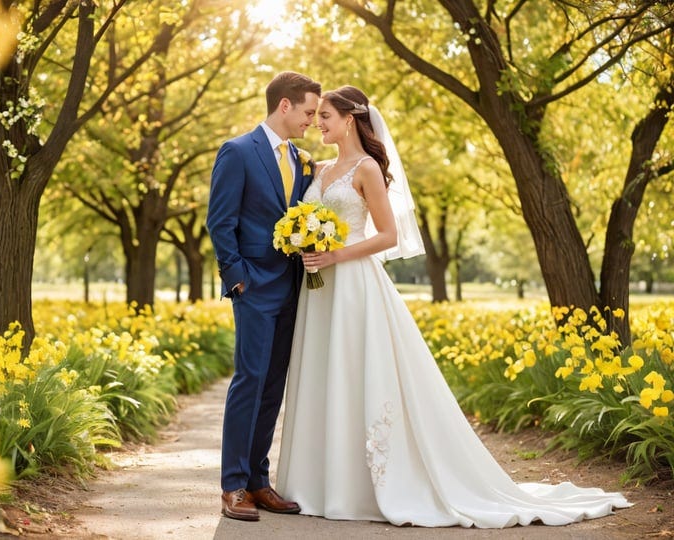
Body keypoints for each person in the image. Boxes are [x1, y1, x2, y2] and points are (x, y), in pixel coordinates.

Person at [275, 85, 631, 528]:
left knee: (355, 371)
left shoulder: (366, 169)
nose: (319, 123)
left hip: (352, 284)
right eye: (317, 116)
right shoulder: (319, 167)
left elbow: (388, 236)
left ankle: (358, 487)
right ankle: (316, 483)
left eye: (325, 116)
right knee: (322, 372)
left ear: (349, 119)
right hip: (319, 288)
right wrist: (305, 244)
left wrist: (335, 254)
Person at [207, 71, 321, 522]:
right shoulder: (237, 151)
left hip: (293, 288)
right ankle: (233, 485)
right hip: (253, 287)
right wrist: (237, 278)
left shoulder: (301, 158)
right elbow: (221, 221)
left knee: (274, 386)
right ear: (286, 106)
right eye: (309, 112)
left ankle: (258, 480)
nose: (312, 121)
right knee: (249, 381)